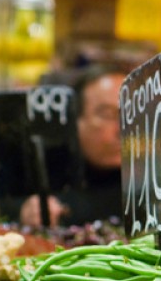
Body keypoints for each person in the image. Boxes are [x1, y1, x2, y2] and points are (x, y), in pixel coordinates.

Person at [18, 64, 127, 228]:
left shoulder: (157, 180)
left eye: (131, 113)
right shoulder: (44, 172)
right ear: (76, 121)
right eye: (107, 115)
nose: (123, 129)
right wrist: (26, 214)